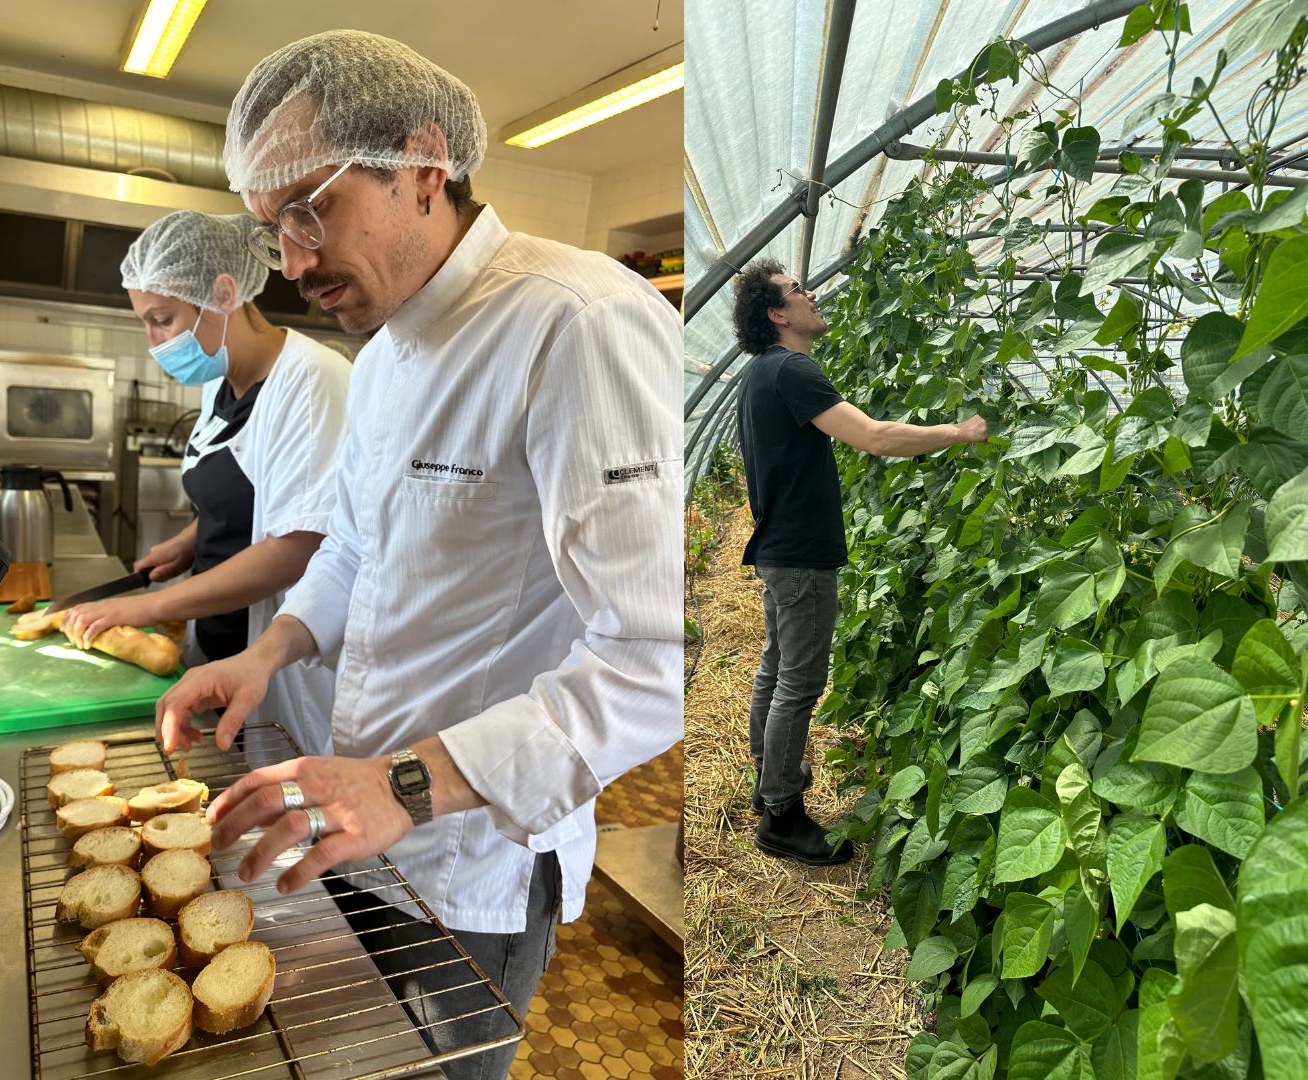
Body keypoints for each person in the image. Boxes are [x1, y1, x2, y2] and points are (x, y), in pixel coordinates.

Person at [153, 31, 682, 1080]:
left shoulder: (574, 326)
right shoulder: (389, 348)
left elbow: (653, 665)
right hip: (350, 817)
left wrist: (404, 780)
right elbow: (357, 545)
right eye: (273, 233)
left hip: (466, 862)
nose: (295, 263)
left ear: (424, 163)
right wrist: (273, 653)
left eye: (310, 211)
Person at [729, 259, 989, 864]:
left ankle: (768, 784)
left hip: (778, 549)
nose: (810, 294)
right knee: (800, 680)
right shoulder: (792, 369)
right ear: (777, 314)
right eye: (797, 291)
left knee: (776, 668)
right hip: (799, 555)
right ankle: (782, 815)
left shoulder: (759, 375)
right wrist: (958, 431)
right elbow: (873, 437)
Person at [64, 210, 350, 756]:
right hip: (215, 649)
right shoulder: (220, 382)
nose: (153, 342)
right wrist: (184, 543)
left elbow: (296, 548)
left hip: (278, 666)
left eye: (162, 319)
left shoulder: (312, 381)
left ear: (222, 294)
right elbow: (243, 497)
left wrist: (152, 606)